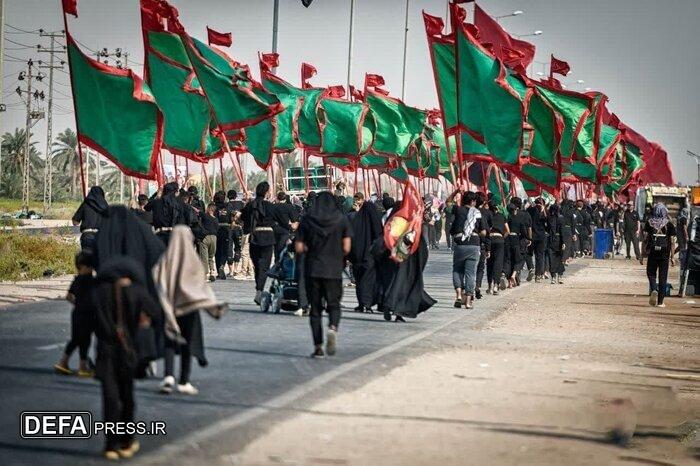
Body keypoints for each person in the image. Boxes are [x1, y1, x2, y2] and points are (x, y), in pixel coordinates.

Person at [92, 256, 162, 460]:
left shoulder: (99, 292)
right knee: (127, 397)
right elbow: (156, 314)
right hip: (127, 351)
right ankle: (127, 441)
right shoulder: (136, 291)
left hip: (105, 352)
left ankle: (110, 445)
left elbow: (85, 318)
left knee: (110, 399)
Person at [153, 226, 226, 395]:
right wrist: (212, 306)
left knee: (170, 340)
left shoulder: (166, 259)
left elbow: (157, 280)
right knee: (187, 342)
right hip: (190, 309)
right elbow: (202, 289)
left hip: (170, 308)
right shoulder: (193, 261)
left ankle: (168, 376)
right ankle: (184, 380)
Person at [296, 191, 352, 358]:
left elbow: (298, 247)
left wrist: (310, 249)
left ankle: (318, 347)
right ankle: (333, 328)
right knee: (334, 304)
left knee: (315, 309)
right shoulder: (341, 220)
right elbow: (347, 247)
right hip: (333, 270)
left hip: (313, 269)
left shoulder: (307, 220)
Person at [54, 251, 97, 377]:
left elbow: (68, 296)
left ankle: (67, 363)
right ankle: (79, 366)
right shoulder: (91, 281)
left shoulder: (77, 279)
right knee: (84, 340)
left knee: (77, 339)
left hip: (77, 313)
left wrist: (77, 304)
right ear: (86, 266)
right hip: (87, 315)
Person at [449, 190, 486, 309]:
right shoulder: (477, 213)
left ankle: (459, 296)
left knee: (457, 270)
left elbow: (448, 202)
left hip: (460, 244)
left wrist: (456, 192)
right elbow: (484, 232)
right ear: (473, 201)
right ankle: (469, 301)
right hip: (474, 244)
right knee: (471, 273)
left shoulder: (458, 209)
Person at [241, 182, 277, 304]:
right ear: (267, 192)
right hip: (268, 238)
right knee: (264, 267)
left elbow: (243, 219)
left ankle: (259, 290)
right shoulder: (271, 206)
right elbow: (279, 221)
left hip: (254, 238)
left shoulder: (250, 205)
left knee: (257, 266)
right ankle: (259, 290)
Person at [348, 192, 383, 313]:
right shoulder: (375, 222)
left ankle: (361, 304)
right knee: (368, 280)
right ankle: (367, 304)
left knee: (359, 280)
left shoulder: (354, 220)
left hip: (356, 255)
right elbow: (379, 235)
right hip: (369, 256)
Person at [643, 202, 676, 307]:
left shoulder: (649, 222)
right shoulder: (669, 224)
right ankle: (661, 302)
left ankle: (653, 289)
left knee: (651, 273)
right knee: (663, 277)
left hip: (653, 251)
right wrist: (672, 257)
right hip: (664, 253)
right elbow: (672, 241)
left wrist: (643, 253)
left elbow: (645, 239)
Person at [146, 182, 183, 246]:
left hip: (158, 233)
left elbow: (146, 207)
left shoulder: (157, 202)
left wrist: (155, 195)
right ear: (175, 192)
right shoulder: (178, 204)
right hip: (173, 235)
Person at [72, 186, 109, 251]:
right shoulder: (106, 206)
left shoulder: (85, 204)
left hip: (87, 236)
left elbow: (75, 222)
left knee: (87, 259)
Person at [486, 201, 509, 295]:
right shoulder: (501, 216)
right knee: (498, 263)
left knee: (489, 263)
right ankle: (496, 285)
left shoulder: (487, 215)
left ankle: (489, 286)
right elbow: (507, 230)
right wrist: (502, 237)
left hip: (489, 239)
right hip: (499, 240)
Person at [271, 191, 300, 262]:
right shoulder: (289, 207)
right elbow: (294, 220)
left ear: (277, 198)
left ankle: (276, 266)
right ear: (285, 199)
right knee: (283, 250)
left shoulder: (272, 207)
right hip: (285, 230)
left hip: (273, 230)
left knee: (276, 250)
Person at [474, 192, 492, 299]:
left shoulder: (468, 211)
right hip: (481, 243)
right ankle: (477, 286)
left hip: (467, 242)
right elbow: (487, 231)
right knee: (480, 267)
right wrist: (488, 248)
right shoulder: (487, 213)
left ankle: (469, 288)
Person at [195, 203, 219, 282]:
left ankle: (205, 275)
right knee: (211, 257)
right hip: (214, 238)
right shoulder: (216, 219)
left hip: (205, 238)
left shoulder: (205, 215)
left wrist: (190, 206)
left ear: (209, 209)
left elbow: (197, 211)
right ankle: (212, 272)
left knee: (204, 257)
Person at [528, 198, 548, 282]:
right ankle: (538, 275)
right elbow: (547, 221)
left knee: (528, 254)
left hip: (531, 236)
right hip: (541, 236)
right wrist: (543, 210)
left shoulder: (529, 210)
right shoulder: (544, 211)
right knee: (539, 256)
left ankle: (531, 268)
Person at [547, 203, 566, 284]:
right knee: (560, 259)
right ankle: (560, 276)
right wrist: (564, 242)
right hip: (559, 240)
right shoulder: (561, 218)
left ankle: (553, 277)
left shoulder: (548, 219)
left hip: (551, 240)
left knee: (552, 260)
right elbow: (563, 231)